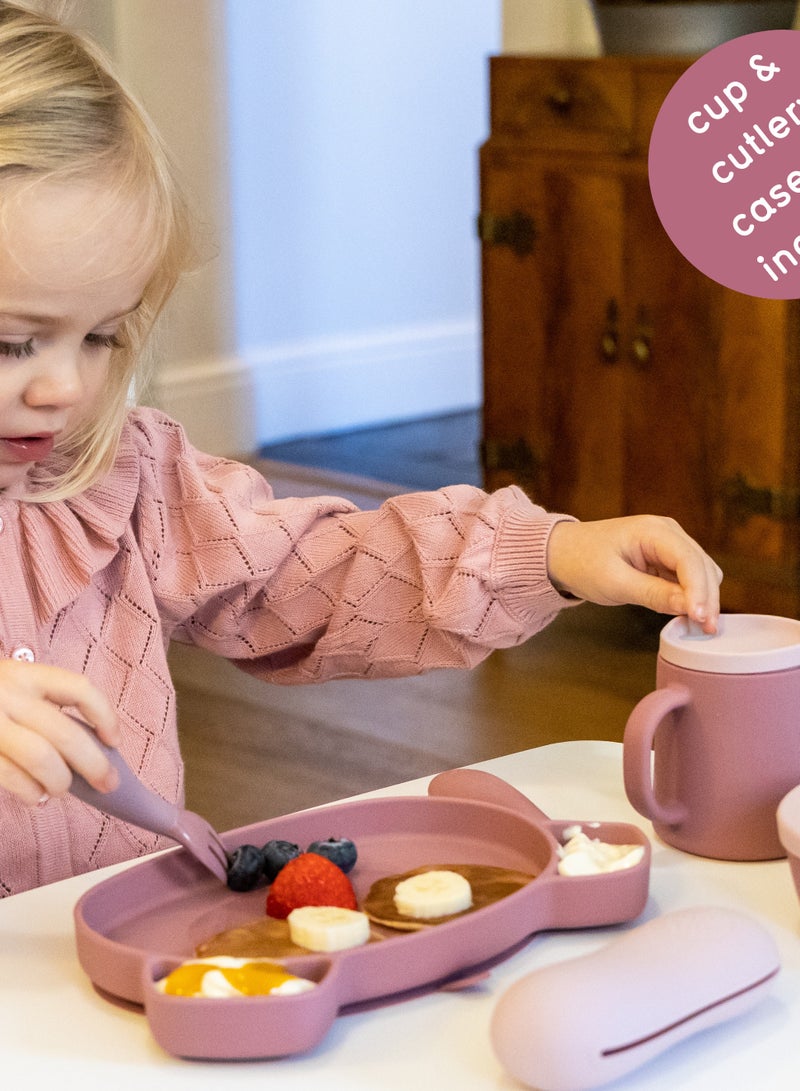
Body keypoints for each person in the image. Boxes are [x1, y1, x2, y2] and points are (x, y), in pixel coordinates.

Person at [0, 0, 722, 895]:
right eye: (13, 343)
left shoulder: (129, 479)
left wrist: (549, 555)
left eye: (101, 336)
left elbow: (316, 570)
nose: (64, 388)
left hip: (101, 952)